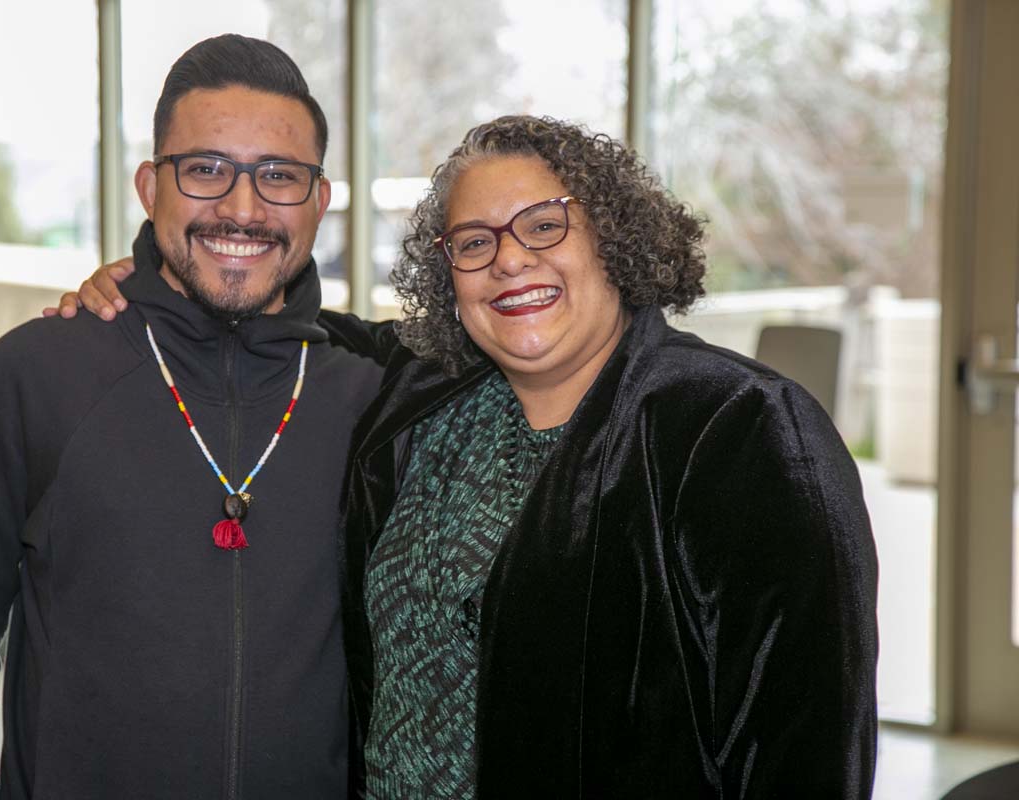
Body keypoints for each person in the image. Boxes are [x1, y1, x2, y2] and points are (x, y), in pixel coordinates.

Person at [72, 115, 879, 798]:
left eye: (543, 225)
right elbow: (311, 327)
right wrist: (153, 281)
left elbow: (803, 752)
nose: (509, 259)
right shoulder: (430, 399)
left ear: (613, 239)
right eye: (473, 242)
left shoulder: (738, 429)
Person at [0, 35, 386, 798]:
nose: (242, 208)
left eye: (280, 177)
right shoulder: (35, 377)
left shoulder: (375, 402)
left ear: (320, 201)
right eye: (205, 169)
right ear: (149, 187)